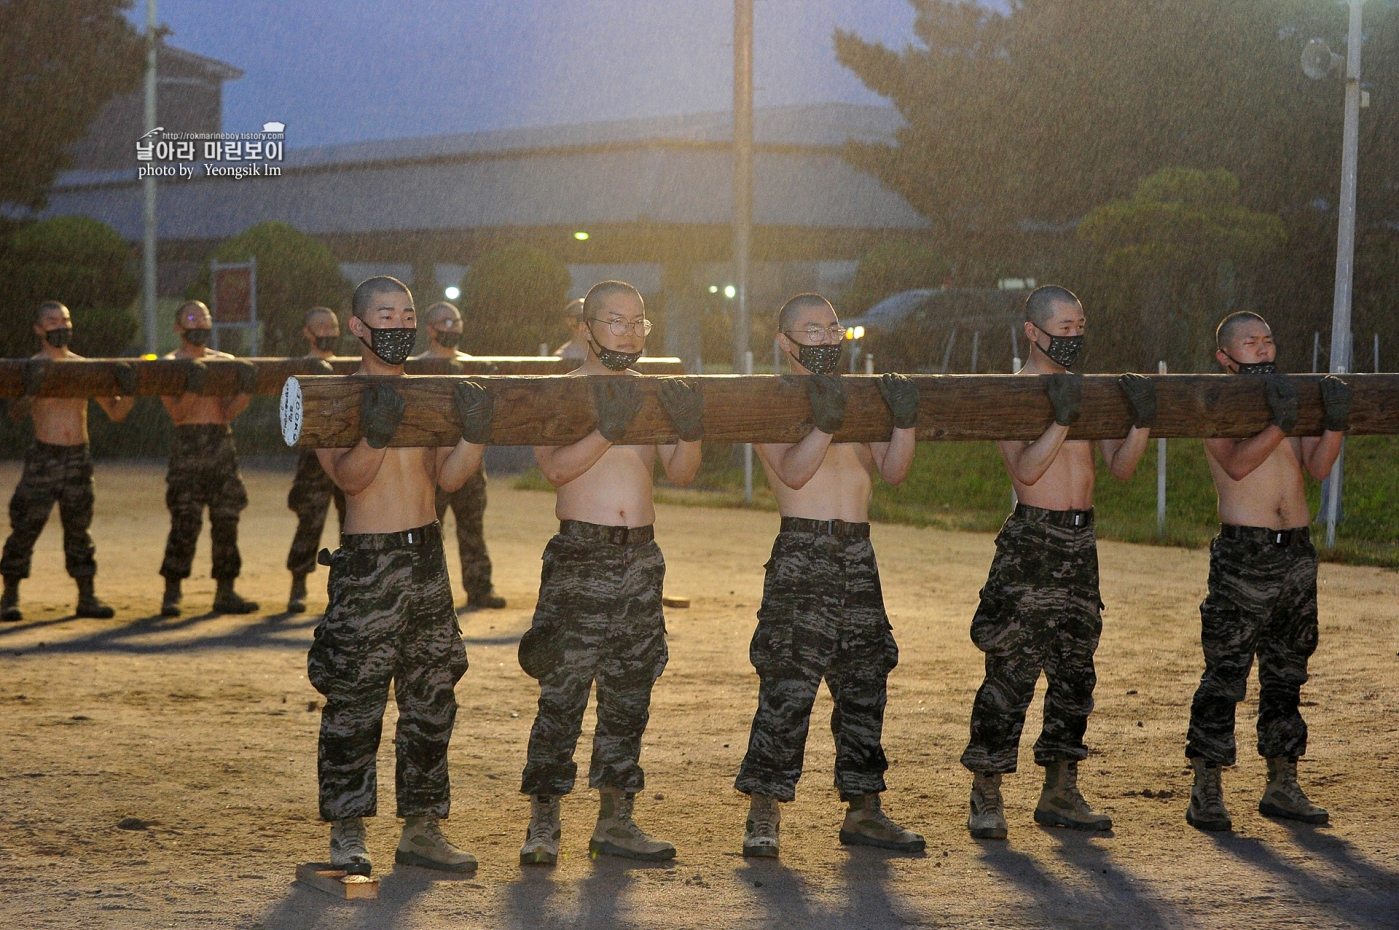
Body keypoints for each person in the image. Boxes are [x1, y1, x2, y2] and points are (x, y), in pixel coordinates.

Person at [308, 275, 493, 876]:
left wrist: (475, 430)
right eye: (385, 316)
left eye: (407, 314)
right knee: (356, 701)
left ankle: (422, 827)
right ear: (358, 328)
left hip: (426, 558)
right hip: (368, 562)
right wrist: (377, 433)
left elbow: (449, 479)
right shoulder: (331, 397)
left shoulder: (429, 392)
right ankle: (347, 830)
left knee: (432, 696)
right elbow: (350, 480)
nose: (400, 325)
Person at [517, 280, 702, 866]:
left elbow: (682, 472)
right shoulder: (563, 392)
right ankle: (544, 821)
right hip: (580, 555)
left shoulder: (649, 394)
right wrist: (607, 430)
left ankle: (617, 819)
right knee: (564, 689)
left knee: (630, 689)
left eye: (637, 323)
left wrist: (689, 426)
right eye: (615, 322)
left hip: (640, 558)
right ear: (587, 328)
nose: (627, 333)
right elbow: (554, 470)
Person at [962, 285, 1156, 840]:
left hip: (1080, 543)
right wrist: (1061, 418)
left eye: (1079, 326)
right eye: (1063, 327)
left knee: (1075, 671)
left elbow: (1119, 467)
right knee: (1011, 671)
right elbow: (1024, 471)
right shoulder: (1013, 393)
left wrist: (1140, 420)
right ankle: (987, 791)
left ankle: (1061, 790)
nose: (1073, 336)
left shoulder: (1083, 391)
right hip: (1032, 541)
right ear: (1032, 331)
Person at [734, 293, 925, 858]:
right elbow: (792, 474)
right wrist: (825, 424)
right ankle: (763, 812)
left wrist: (904, 422)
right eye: (811, 330)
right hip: (803, 549)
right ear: (784, 342)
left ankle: (865, 809)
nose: (824, 338)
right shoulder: (766, 403)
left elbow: (893, 471)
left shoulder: (858, 397)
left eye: (832, 327)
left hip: (857, 552)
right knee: (789, 683)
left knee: (865, 681)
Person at [1183, 311, 1347, 832]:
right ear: (1225, 356)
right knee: (1227, 671)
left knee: (1287, 671)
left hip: (1295, 551)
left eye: (1269, 340)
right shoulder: (1216, 403)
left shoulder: (1287, 396)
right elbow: (1236, 465)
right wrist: (1279, 422)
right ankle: (1207, 785)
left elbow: (1317, 468)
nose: (1263, 349)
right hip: (1244, 552)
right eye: (1251, 343)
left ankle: (1282, 781)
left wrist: (1335, 423)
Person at [1, 301, 135, 621]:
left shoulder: (85, 368)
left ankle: (86, 598)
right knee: (25, 527)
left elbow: (115, 412)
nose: (60, 326)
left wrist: (130, 390)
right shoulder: (29, 367)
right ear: (38, 328)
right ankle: (9, 598)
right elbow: (16, 415)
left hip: (78, 456)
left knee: (79, 530)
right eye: (51, 320)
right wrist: (33, 389)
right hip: (45, 454)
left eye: (64, 320)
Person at [158, 301, 260, 617]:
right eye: (192, 318)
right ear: (178, 327)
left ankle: (225, 591)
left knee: (227, 519)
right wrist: (193, 387)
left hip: (220, 442)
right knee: (185, 520)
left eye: (205, 318)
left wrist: (246, 390)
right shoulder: (169, 364)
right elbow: (177, 414)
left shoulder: (225, 363)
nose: (200, 324)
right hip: (189, 442)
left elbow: (227, 412)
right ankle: (172, 593)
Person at [415, 301, 505, 610]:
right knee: (428, 529)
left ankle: (480, 587)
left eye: (456, 321)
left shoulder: (475, 365)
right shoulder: (417, 367)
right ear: (430, 329)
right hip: (431, 461)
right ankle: (427, 591)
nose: (451, 327)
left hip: (470, 460)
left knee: (472, 527)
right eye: (444, 322)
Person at [284, 307, 345, 613]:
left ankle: (351, 589)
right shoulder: (297, 368)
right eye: (321, 327)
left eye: (333, 327)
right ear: (307, 333)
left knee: (354, 525)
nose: (328, 333)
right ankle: (299, 584)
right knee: (310, 521)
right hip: (314, 454)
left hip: (348, 451)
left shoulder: (351, 366)